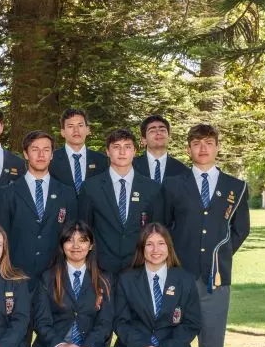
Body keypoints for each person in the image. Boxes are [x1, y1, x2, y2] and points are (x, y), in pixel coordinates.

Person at [164, 123, 250, 347]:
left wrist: (218, 257)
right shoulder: (173, 184)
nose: (203, 148)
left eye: (209, 142)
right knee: (177, 338)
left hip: (216, 278)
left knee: (212, 341)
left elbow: (240, 230)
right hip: (180, 276)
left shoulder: (235, 187)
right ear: (188, 149)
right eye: (197, 143)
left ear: (217, 147)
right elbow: (164, 227)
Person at [78, 128, 164, 278]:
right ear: (107, 151)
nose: (122, 152)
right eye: (116, 147)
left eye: (127, 147)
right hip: (100, 269)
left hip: (139, 268)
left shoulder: (152, 188)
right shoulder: (90, 187)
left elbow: (156, 229)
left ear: (135, 151)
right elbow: (84, 228)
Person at [0, 130, 78, 281]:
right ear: (25, 154)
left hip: (55, 277)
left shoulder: (67, 193)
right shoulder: (7, 194)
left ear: (52, 155)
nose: (41, 155)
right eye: (35, 149)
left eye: (46, 150)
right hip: (16, 276)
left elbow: (72, 236)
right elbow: (0, 238)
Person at [49, 108, 109, 193]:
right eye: (70, 126)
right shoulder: (50, 160)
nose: (76, 130)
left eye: (80, 125)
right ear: (63, 132)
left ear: (88, 130)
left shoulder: (101, 160)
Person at [132, 115, 189, 184]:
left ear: (169, 137)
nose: (158, 133)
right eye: (152, 131)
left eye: (162, 130)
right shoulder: (130, 167)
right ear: (144, 140)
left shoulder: (182, 170)